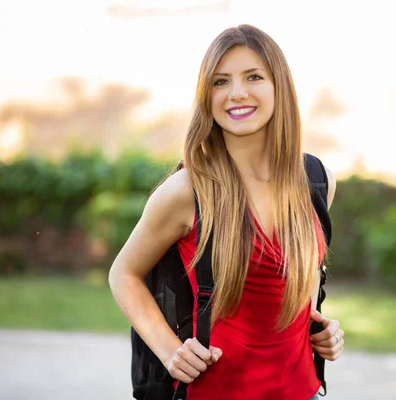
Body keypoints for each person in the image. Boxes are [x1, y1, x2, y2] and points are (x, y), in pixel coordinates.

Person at [108, 24, 344, 400]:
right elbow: (124, 273)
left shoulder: (317, 180)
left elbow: (304, 285)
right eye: (220, 82)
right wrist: (170, 351)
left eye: (253, 76)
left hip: (304, 392)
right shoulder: (188, 191)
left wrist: (322, 329)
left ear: (277, 86)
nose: (237, 93)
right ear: (207, 96)